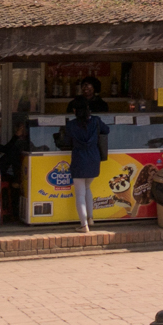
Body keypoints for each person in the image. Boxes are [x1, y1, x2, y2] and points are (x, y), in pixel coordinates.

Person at [60, 82, 109, 232]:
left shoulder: (71, 125)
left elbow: (66, 142)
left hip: (79, 160)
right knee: (88, 188)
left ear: (74, 110)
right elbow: (106, 130)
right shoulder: (96, 121)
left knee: (80, 193)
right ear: (88, 108)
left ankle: (84, 226)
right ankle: (91, 218)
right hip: (94, 159)